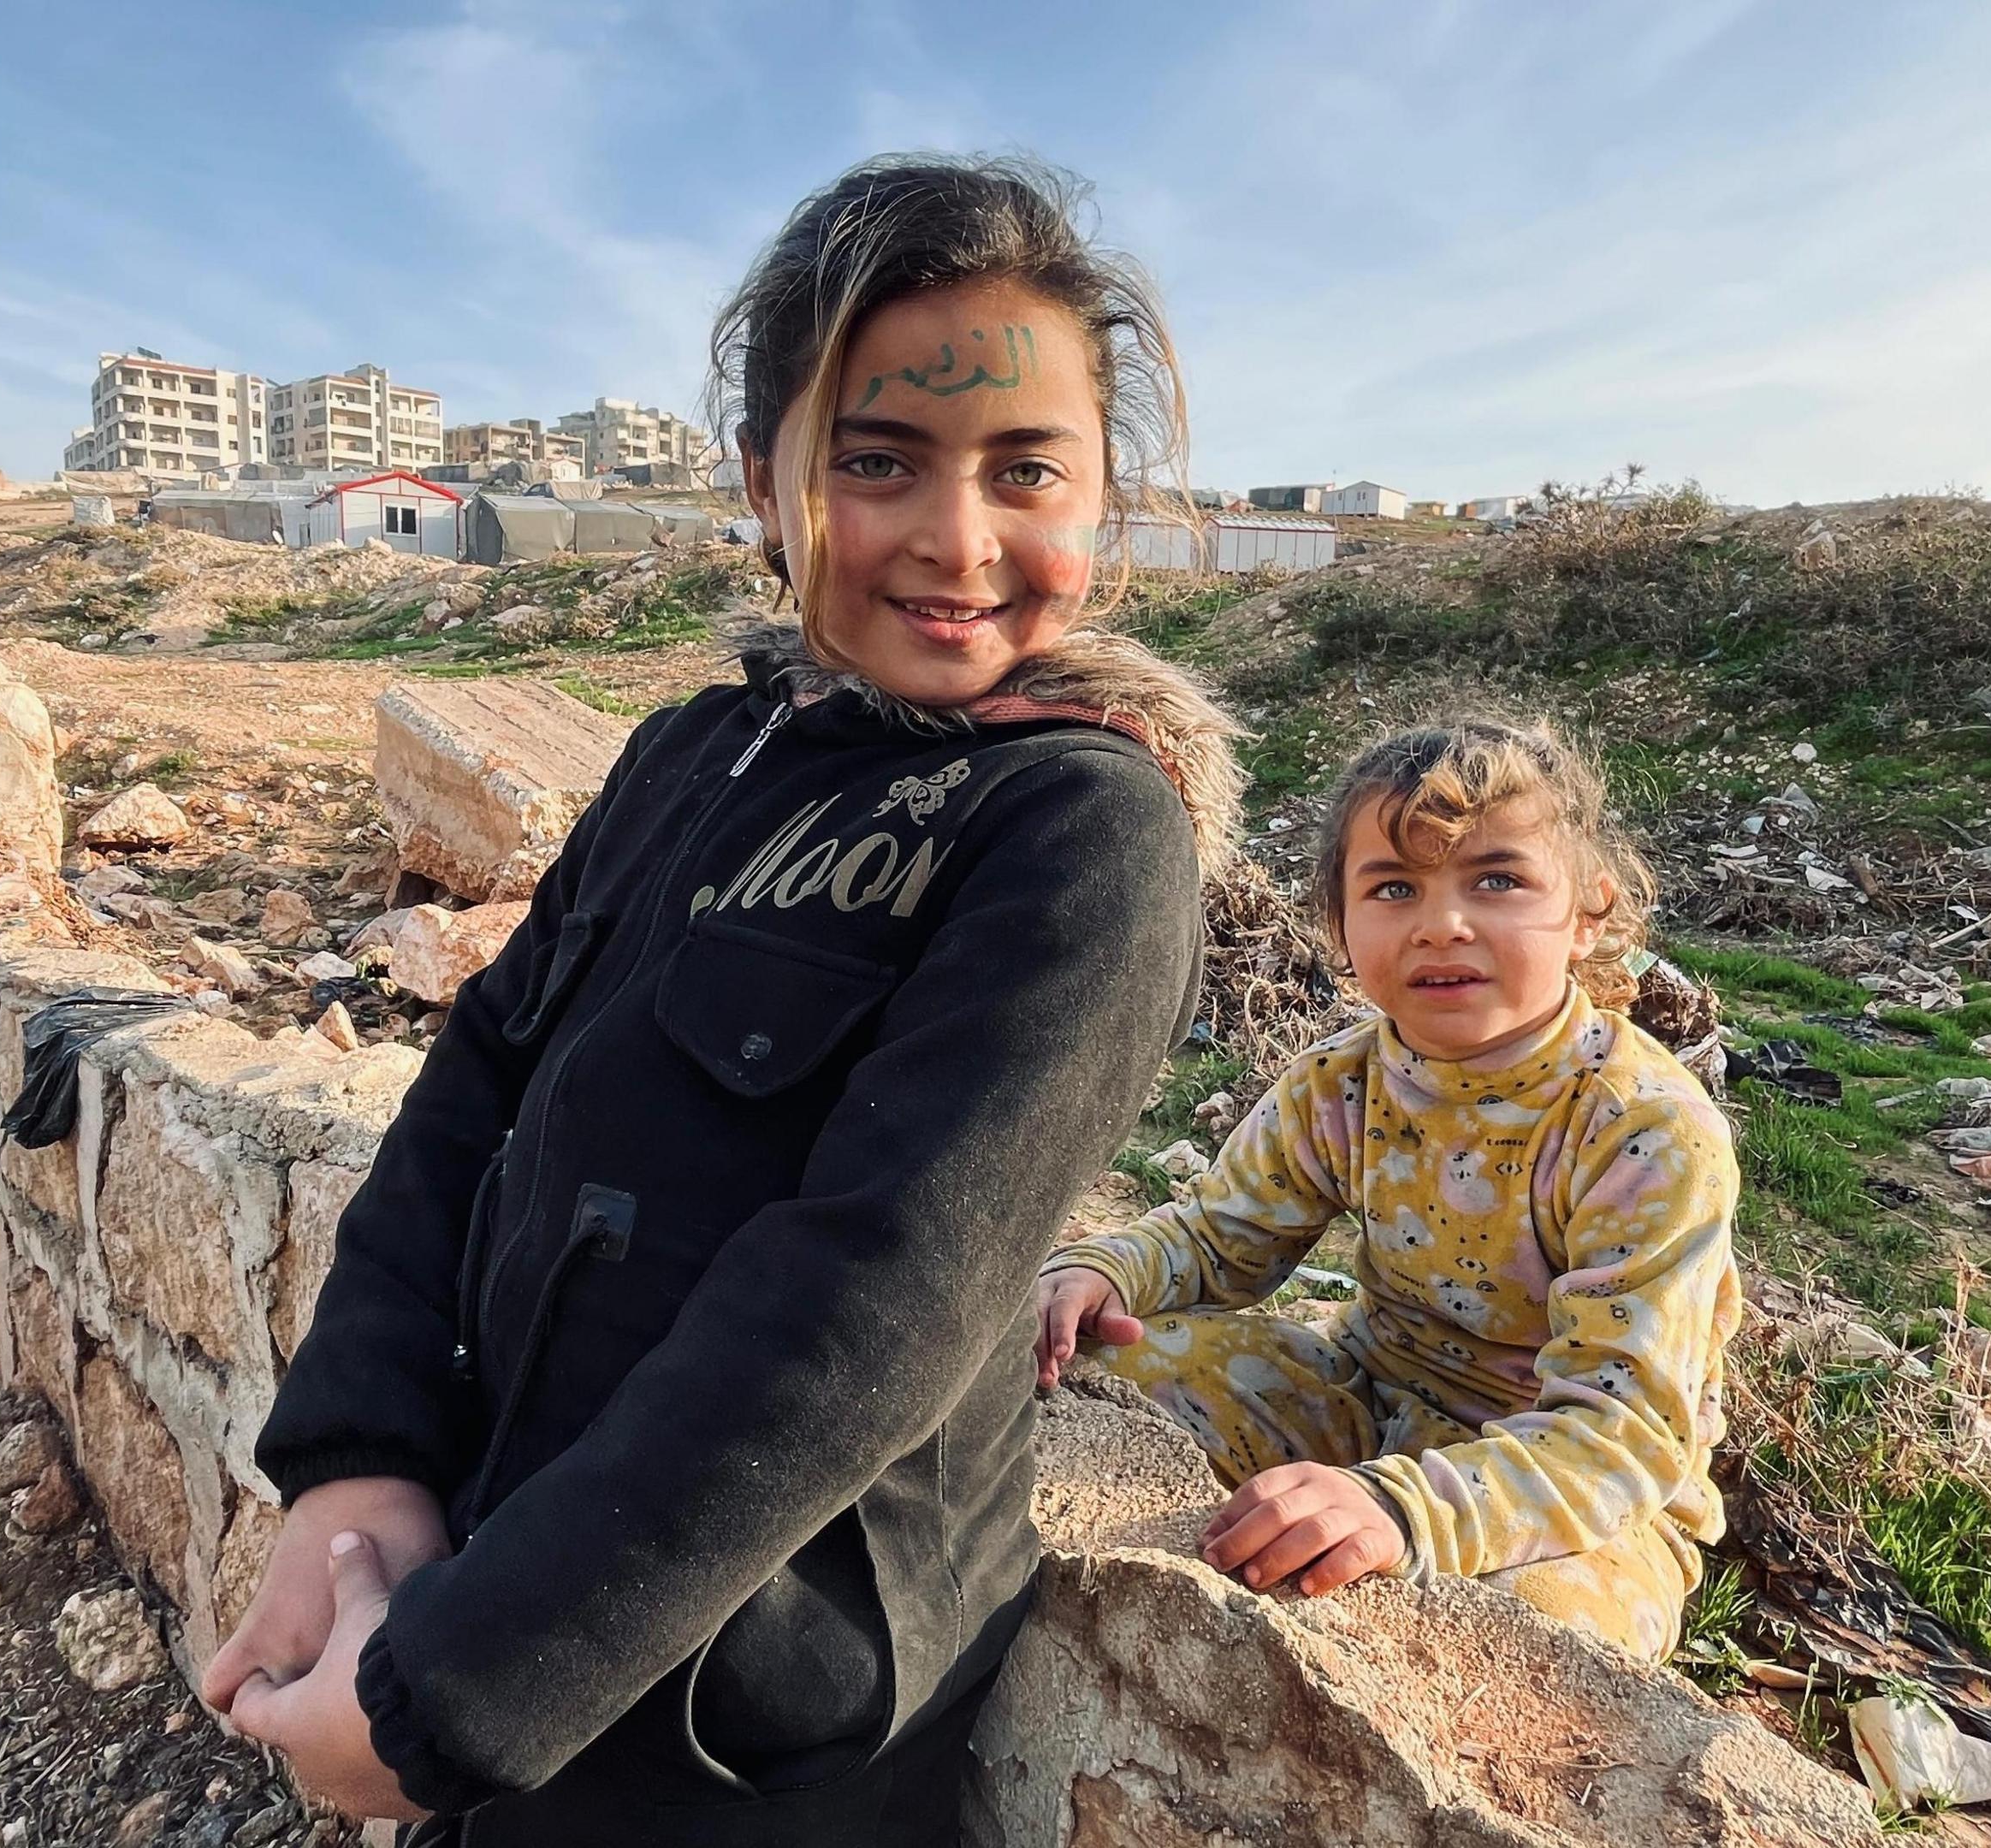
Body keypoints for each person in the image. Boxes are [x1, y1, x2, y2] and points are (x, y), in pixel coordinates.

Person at [204, 154, 1242, 1845]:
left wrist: (456, 1691)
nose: (956, 538)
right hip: (521, 1562)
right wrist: (363, 1469)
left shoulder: (1076, 829)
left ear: (1102, 498)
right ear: (766, 484)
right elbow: (477, 1082)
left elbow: (874, 1297)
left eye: (1025, 470)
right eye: (877, 460)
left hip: (755, 1722)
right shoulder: (694, 752)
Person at [1033, 719, 1742, 1661]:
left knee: (1543, 1635)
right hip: (1365, 1395)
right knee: (1089, 1367)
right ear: (1339, 927)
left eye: (1498, 880)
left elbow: (1621, 1437)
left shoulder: (1643, 1130)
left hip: (1577, 1481)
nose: (1442, 923)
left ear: (1589, 913)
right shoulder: (1344, 1081)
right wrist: (1104, 1272)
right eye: (1394, 888)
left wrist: (1399, 1510)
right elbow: (1218, 1238)